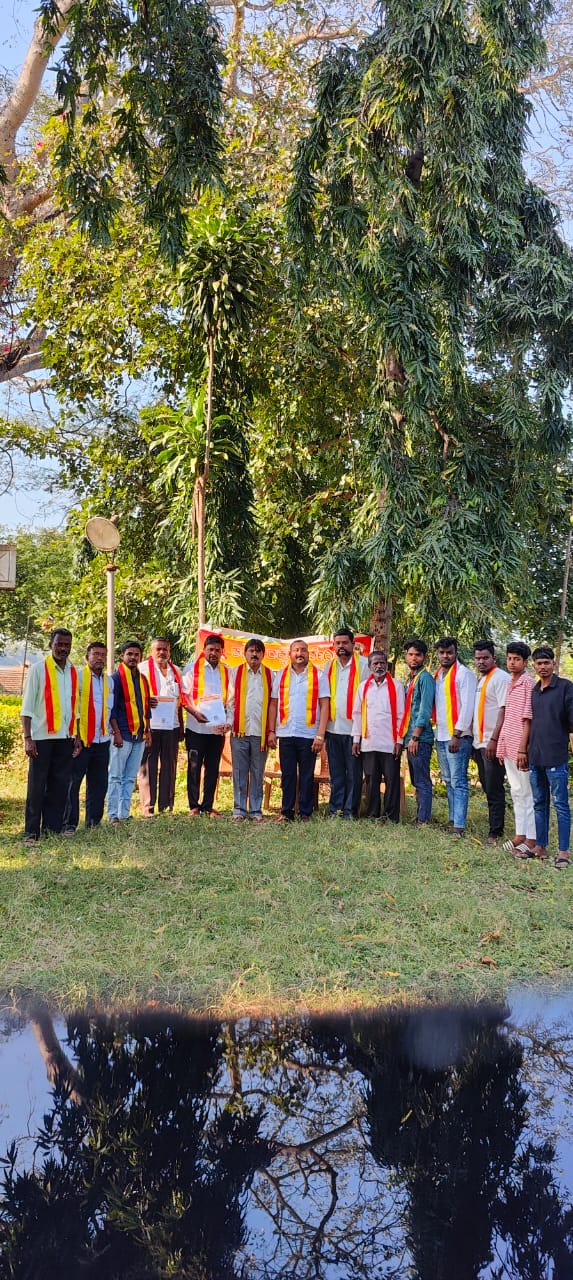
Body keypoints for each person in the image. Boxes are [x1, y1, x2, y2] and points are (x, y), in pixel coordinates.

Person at [21, 627, 82, 845]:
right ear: (51, 645)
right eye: (59, 644)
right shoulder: (39, 670)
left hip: (65, 738)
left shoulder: (74, 672)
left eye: (67, 645)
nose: (63, 648)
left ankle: (51, 829)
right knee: (37, 786)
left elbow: (75, 708)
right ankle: (31, 832)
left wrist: (77, 735)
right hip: (41, 738)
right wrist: (28, 738)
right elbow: (27, 707)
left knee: (59, 785)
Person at [267, 639, 330, 822]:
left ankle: (305, 813)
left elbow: (324, 706)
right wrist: (272, 731)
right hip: (286, 733)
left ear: (309, 653)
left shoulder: (319, 675)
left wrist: (320, 734)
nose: (299, 653)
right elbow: (273, 704)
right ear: (290, 653)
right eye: (296, 650)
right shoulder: (281, 676)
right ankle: (286, 813)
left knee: (306, 775)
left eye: (303, 650)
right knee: (287, 775)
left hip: (309, 734)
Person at [527, 645, 573, 868]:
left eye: (547, 663)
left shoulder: (565, 687)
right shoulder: (534, 690)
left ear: (553, 664)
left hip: (556, 757)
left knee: (561, 804)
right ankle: (540, 846)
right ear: (533, 666)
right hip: (535, 757)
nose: (543, 667)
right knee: (539, 803)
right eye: (539, 663)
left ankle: (563, 852)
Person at [64, 641, 113, 832]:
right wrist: (76, 735)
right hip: (82, 740)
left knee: (99, 783)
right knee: (73, 783)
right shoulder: (78, 678)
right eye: (95, 654)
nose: (99, 658)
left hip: (102, 740)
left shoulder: (110, 681)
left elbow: (110, 710)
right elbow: (72, 708)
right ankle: (69, 824)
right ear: (87, 657)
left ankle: (93, 822)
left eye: (103, 654)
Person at [351, 650, 405, 822]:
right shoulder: (363, 687)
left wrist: (399, 740)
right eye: (375, 663)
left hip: (390, 743)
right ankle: (373, 813)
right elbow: (357, 714)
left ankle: (390, 816)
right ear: (369, 667)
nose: (379, 666)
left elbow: (401, 715)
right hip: (369, 742)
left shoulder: (396, 685)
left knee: (392, 780)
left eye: (382, 662)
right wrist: (356, 739)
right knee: (372, 780)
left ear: (387, 664)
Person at [181, 634, 231, 817]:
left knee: (213, 767)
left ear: (221, 652)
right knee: (194, 767)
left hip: (217, 729)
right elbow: (183, 697)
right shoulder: (191, 669)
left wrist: (228, 723)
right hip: (196, 727)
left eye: (217, 650)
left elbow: (231, 701)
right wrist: (195, 713)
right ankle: (194, 806)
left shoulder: (227, 671)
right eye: (211, 649)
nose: (214, 653)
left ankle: (208, 806)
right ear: (204, 650)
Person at [496, 642, 536, 857]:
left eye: (517, 659)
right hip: (508, 746)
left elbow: (527, 718)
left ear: (525, 662)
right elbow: (507, 717)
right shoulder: (510, 683)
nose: (512, 662)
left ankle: (531, 838)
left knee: (527, 792)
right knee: (516, 791)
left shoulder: (528, 683)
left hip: (522, 748)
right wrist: (502, 747)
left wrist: (523, 749)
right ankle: (520, 834)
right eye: (510, 658)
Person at [434, 637, 476, 838]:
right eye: (441, 653)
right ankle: (452, 819)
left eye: (449, 652)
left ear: (456, 652)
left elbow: (468, 706)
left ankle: (459, 825)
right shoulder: (438, 675)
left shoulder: (464, 674)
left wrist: (457, 734)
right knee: (448, 779)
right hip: (440, 734)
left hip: (457, 736)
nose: (445, 656)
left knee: (458, 781)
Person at [324, 628, 368, 819]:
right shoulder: (328, 667)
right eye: (338, 643)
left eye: (345, 643)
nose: (341, 646)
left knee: (354, 773)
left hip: (354, 731)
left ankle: (350, 810)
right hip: (332, 729)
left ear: (353, 644)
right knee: (336, 773)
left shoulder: (365, 665)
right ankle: (336, 809)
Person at [228, 638, 273, 823]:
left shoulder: (271, 675)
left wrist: (272, 731)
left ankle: (255, 810)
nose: (254, 654)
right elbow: (230, 702)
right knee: (239, 771)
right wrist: (229, 723)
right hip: (239, 731)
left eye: (257, 651)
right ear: (244, 653)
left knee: (257, 771)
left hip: (260, 733)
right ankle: (239, 809)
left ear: (263, 654)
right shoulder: (235, 672)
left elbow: (273, 705)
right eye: (251, 651)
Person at [138, 638, 183, 815]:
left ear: (169, 651)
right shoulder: (142, 670)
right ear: (151, 651)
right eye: (158, 649)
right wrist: (146, 700)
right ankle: (148, 807)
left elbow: (180, 701)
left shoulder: (176, 671)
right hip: (150, 726)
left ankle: (166, 806)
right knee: (148, 766)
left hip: (171, 725)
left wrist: (181, 725)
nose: (162, 653)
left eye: (165, 649)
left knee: (169, 766)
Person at [108, 640, 151, 824]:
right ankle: (112, 814)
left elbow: (146, 707)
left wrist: (147, 731)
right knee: (116, 775)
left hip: (139, 735)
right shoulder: (115, 679)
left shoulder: (142, 679)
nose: (133, 658)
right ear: (122, 656)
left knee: (130, 777)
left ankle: (124, 813)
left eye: (136, 655)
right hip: (122, 734)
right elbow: (112, 709)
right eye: (129, 654)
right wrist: (116, 732)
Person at [472, 641, 511, 845]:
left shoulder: (501, 678)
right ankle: (494, 825)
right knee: (487, 785)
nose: (481, 661)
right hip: (479, 743)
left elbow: (503, 711)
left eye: (485, 658)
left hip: (492, 743)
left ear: (493, 658)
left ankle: (495, 832)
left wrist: (494, 740)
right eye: (478, 658)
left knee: (494, 787)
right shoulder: (481, 680)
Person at [396, 638, 435, 827]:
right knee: (416, 780)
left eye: (418, 655)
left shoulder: (425, 678)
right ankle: (421, 817)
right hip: (410, 737)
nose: (414, 658)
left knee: (422, 780)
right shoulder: (411, 678)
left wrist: (415, 736)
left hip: (419, 738)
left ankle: (423, 820)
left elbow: (425, 710)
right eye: (410, 654)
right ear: (405, 656)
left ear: (424, 657)